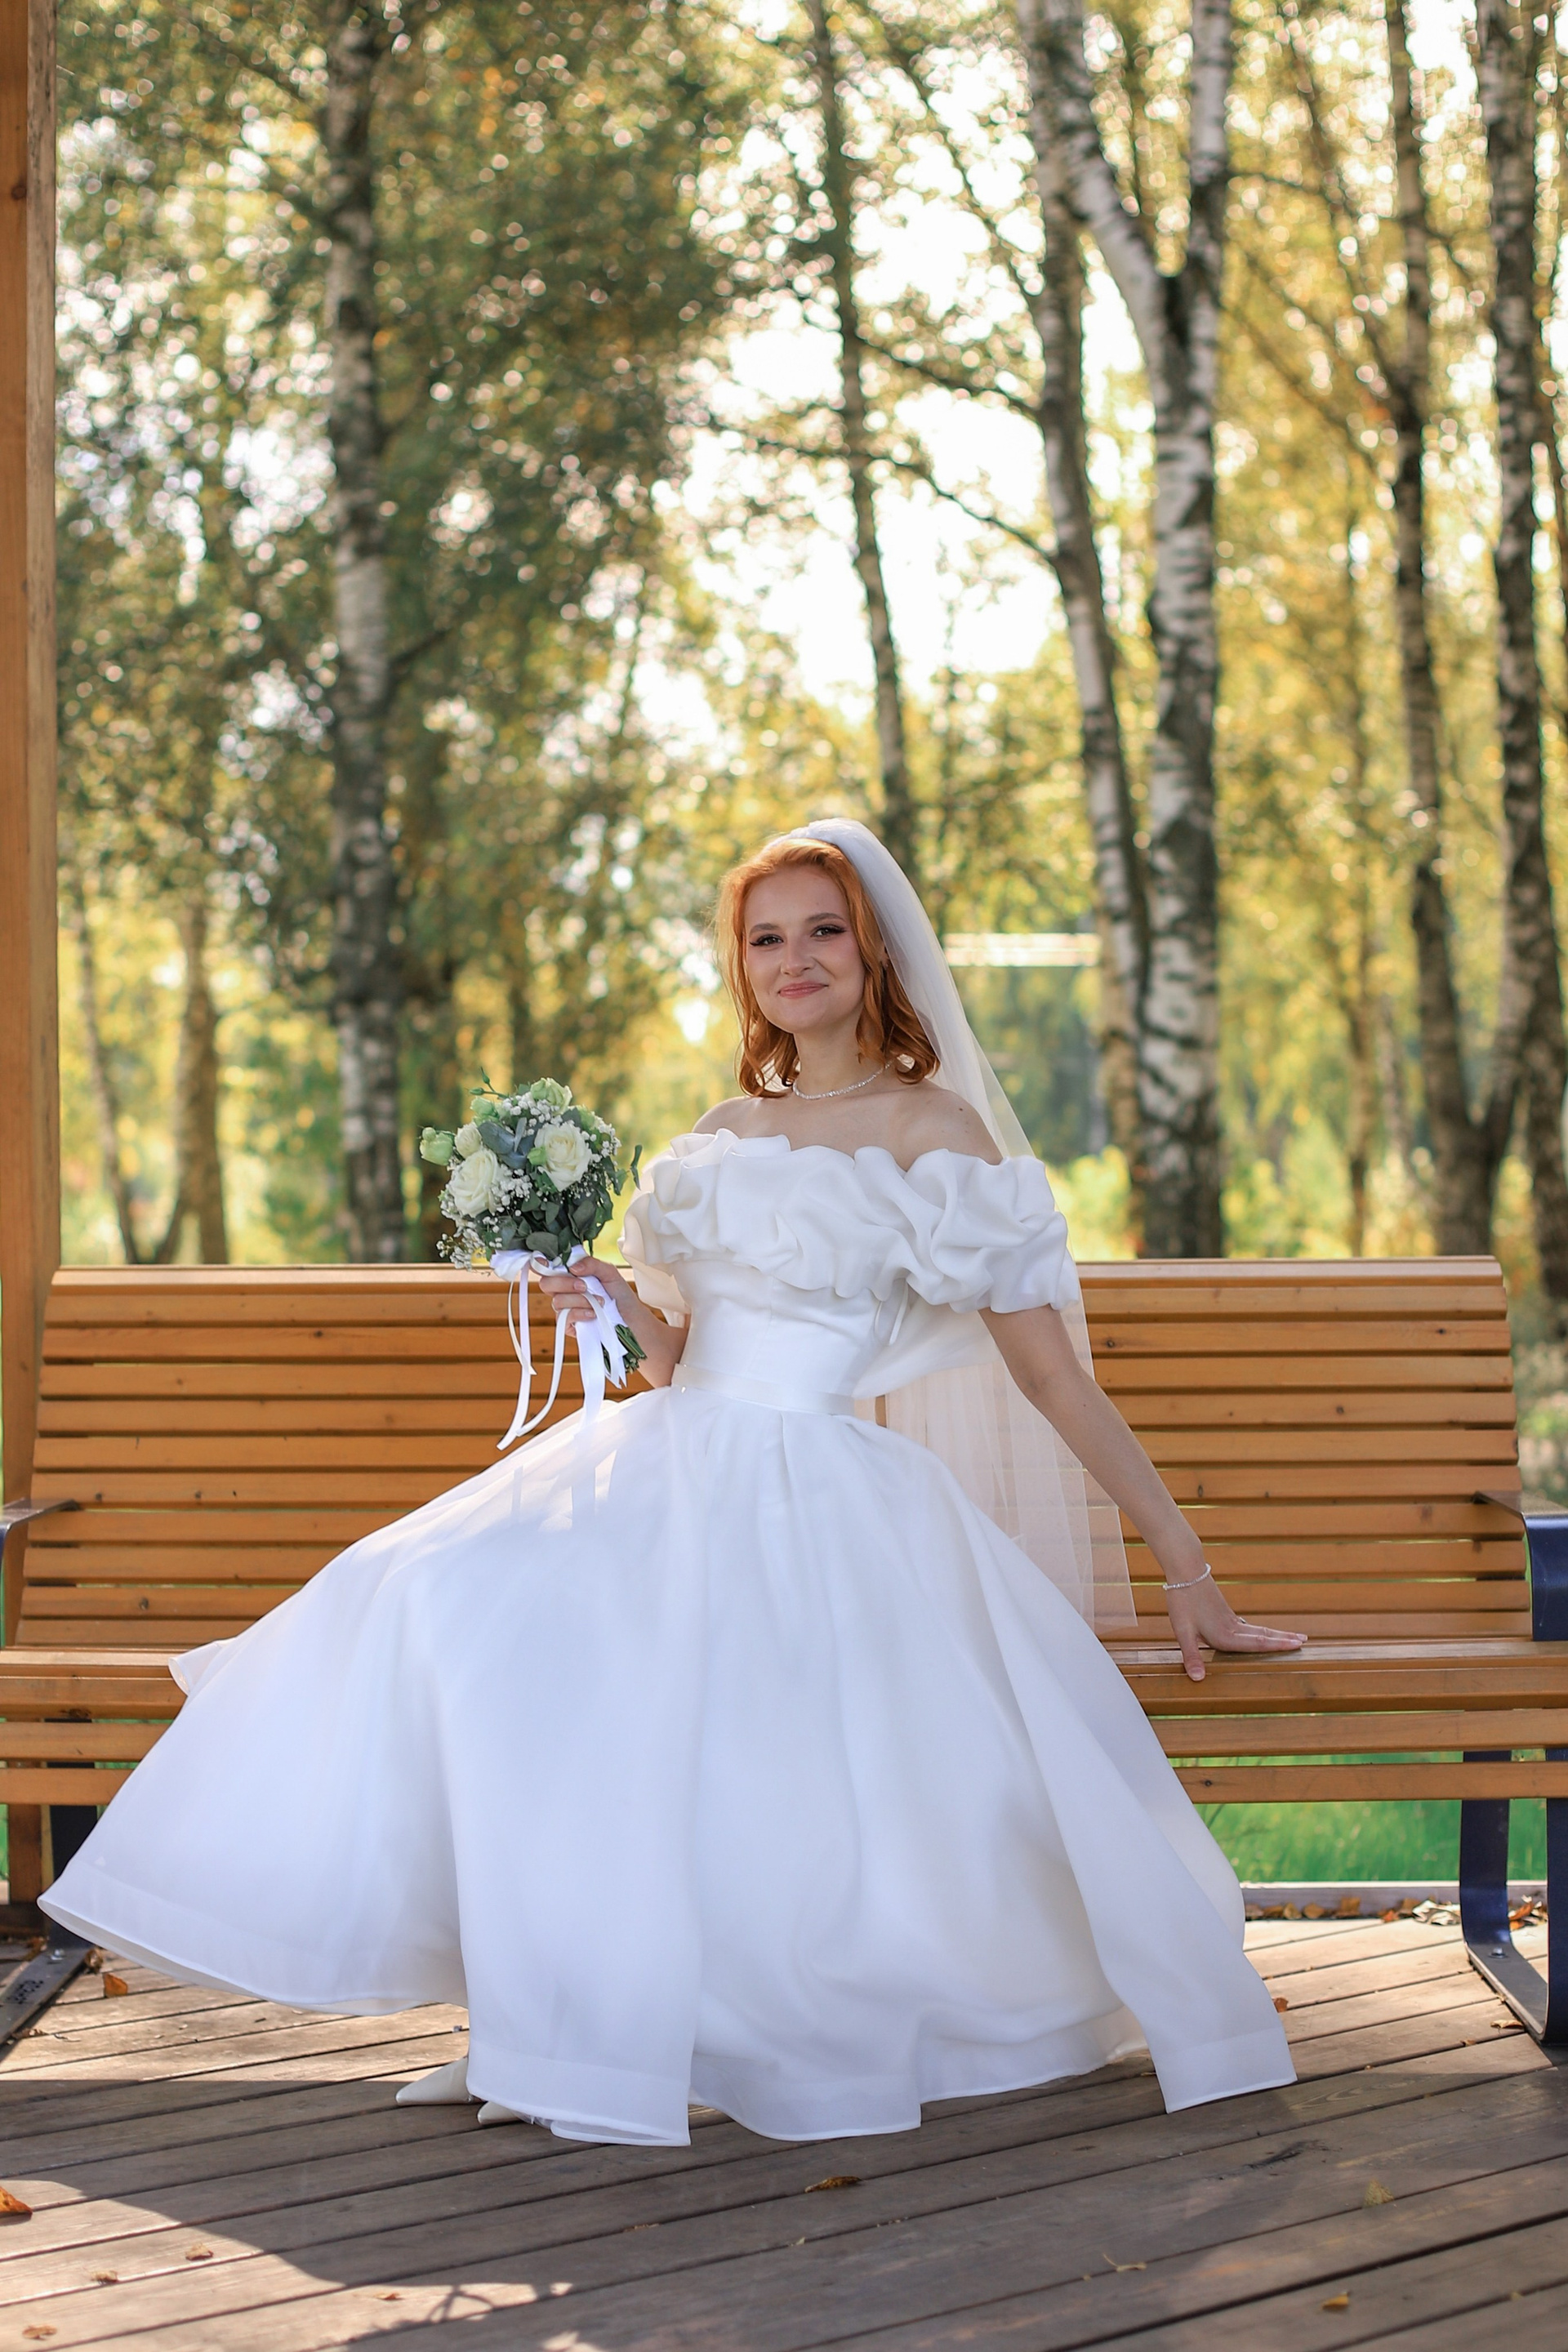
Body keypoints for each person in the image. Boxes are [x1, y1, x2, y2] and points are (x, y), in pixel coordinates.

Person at [42, 819, 1306, 2144]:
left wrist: (1187, 1567)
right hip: (674, 1452)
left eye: (824, 931)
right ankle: (548, 2011)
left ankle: (674, 2023)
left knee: (729, 1709)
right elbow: (678, 1362)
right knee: (426, 1599)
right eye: (767, 939)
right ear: (743, 967)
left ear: (875, 952)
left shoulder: (935, 1131)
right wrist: (595, 1289)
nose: (795, 960)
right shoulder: (718, 1132)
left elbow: (1052, 1379)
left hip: (814, 1479)